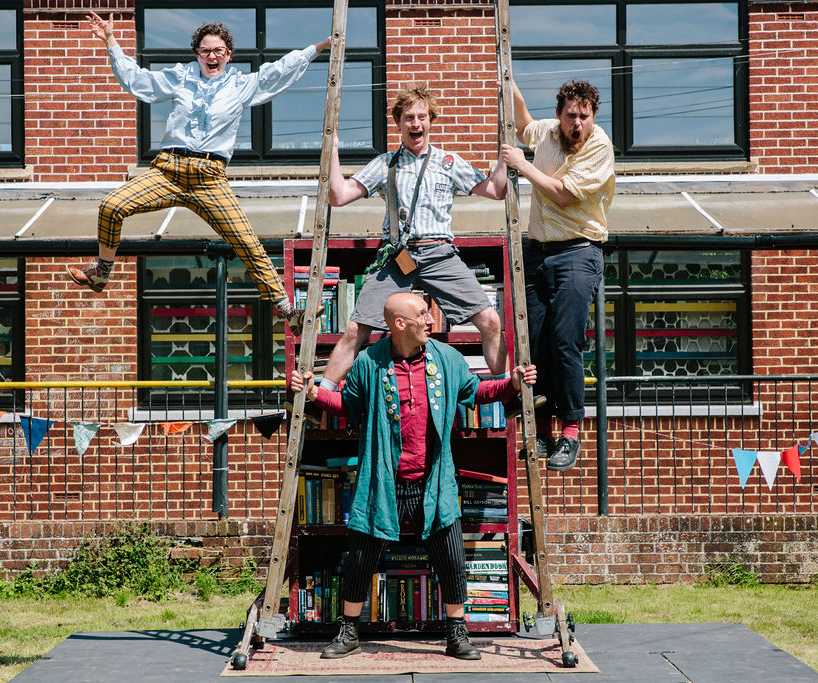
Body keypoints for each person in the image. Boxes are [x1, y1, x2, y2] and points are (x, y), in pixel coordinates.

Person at [289, 292, 536, 660]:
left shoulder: (447, 359)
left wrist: (513, 384)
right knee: (360, 560)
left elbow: (477, 392)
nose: (431, 321)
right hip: (382, 482)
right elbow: (346, 404)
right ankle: (349, 632)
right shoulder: (369, 362)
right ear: (399, 323)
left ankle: (457, 634)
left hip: (433, 481)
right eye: (422, 314)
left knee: (452, 559)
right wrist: (312, 391)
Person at [69, 12, 330, 332]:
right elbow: (139, 81)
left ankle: (289, 312)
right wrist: (111, 42)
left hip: (210, 177)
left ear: (229, 55)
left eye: (218, 51)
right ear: (197, 54)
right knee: (112, 205)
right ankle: (102, 273)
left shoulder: (240, 84)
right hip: (169, 170)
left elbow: (278, 71)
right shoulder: (181, 77)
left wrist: (321, 45)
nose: (212, 56)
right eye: (206, 51)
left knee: (247, 242)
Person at [320, 85, 510, 397]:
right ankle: (322, 395)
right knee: (356, 328)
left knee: (490, 320)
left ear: (431, 121)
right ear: (398, 122)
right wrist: (333, 149)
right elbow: (338, 196)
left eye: (422, 116)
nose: (415, 123)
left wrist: (504, 153)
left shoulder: (449, 161)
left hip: (439, 253)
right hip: (397, 257)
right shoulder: (385, 163)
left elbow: (496, 191)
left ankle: (505, 392)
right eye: (408, 117)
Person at [499, 79, 615, 472]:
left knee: (565, 340)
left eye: (584, 116)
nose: (576, 123)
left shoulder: (599, 145)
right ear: (560, 113)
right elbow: (522, 122)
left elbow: (563, 193)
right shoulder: (547, 133)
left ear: (593, 116)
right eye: (570, 115)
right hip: (538, 252)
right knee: (534, 341)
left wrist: (523, 165)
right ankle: (544, 432)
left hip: (578, 251)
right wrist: (510, 82)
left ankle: (570, 431)